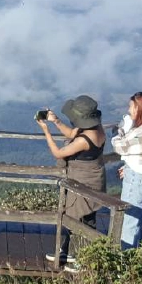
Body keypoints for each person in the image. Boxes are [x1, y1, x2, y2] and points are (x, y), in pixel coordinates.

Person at [37, 95, 107, 265]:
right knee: (85, 217)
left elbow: (58, 153)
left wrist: (46, 131)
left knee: (79, 219)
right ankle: (68, 251)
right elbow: (71, 133)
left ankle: (81, 260)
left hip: (83, 181)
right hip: (94, 178)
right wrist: (56, 121)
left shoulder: (83, 140)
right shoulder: (96, 129)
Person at [110, 92, 142, 250]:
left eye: (131, 106)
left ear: (140, 109)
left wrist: (119, 131)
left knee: (129, 220)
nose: (129, 110)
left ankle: (126, 259)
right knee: (137, 218)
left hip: (136, 180)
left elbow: (120, 147)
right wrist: (129, 166)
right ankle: (134, 254)